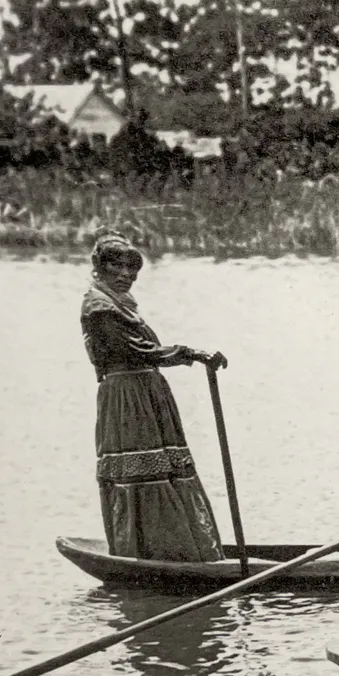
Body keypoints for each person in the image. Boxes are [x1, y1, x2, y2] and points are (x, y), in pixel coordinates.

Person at [80, 230, 227, 562]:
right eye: (116, 267)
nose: (125, 275)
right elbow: (139, 351)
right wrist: (192, 354)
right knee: (144, 471)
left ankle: (183, 550)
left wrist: (190, 355)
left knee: (166, 468)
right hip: (128, 399)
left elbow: (145, 351)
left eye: (131, 269)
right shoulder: (99, 308)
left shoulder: (120, 305)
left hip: (146, 394)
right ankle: (151, 552)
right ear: (99, 267)